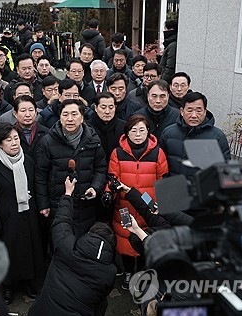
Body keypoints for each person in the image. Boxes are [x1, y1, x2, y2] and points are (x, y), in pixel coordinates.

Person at [28, 176, 117, 316]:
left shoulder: (65, 247)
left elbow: (61, 221)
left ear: (89, 234)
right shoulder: (108, 273)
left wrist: (68, 193)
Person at [0, 123, 44, 305]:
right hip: (6, 219)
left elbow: (35, 186)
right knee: (9, 254)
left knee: (29, 251)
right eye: (8, 140)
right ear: (0, 144)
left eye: (16, 138)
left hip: (28, 215)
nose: (14, 143)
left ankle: (28, 283)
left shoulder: (28, 161)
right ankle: (8, 287)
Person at [108, 114, 168, 290]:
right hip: (124, 205)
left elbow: (163, 180)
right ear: (126, 133)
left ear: (148, 132)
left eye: (142, 130)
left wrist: (159, 203)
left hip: (148, 206)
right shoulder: (117, 152)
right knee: (125, 237)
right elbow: (112, 178)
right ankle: (128, 272)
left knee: (145, 236)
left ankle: (142, 271)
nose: (138, 134)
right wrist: (109, 192)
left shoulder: (158, 152)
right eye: (133, 130)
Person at [36, 99, 107, 237]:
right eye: (65, 114)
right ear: (60, 117)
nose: (70, 119)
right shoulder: (48, 141)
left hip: (85, 205)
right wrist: (43, 203)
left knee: (84, 245)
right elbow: (41, 175)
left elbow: (100, 167)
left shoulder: (93, 138)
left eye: (74, 114)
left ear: (82, 118)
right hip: (59, 203)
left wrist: (95, 187)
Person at [160, 91, 231, 180]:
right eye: (189, 110)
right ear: (182, 111)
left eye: (198, 111)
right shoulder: (168, 133)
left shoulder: (217, 137)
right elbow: (160, 166)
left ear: (205, 111)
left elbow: (224, 169)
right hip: (175, 188)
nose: (194, 115)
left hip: (203, 190)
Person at [88, 92, 125, 162]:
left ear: (115, 107)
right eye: (103, 107)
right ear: (96, 108)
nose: (107, 111)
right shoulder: (87, 127)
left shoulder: (124, 127)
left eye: (111, 107)